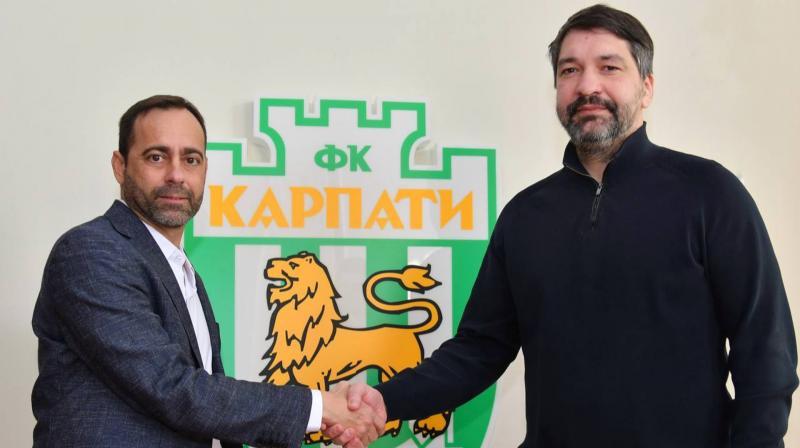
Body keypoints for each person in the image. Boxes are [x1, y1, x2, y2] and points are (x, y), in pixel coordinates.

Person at [341, 4, 798, 447]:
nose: (587, 86)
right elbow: (479, 349)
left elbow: (765, 352)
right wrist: (386, 401)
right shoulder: (524, 216)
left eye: (609, 67)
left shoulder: (709, 193)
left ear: (647, 87)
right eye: (569, 70)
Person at [31, 95, 384, 448]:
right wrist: (321, 408)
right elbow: (170, 387)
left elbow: (200, 405)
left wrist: (325, 413)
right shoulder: (92, 252)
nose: (176, 175)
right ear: (120, 166)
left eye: (191, 159)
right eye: (156, 157)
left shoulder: (180, 269)